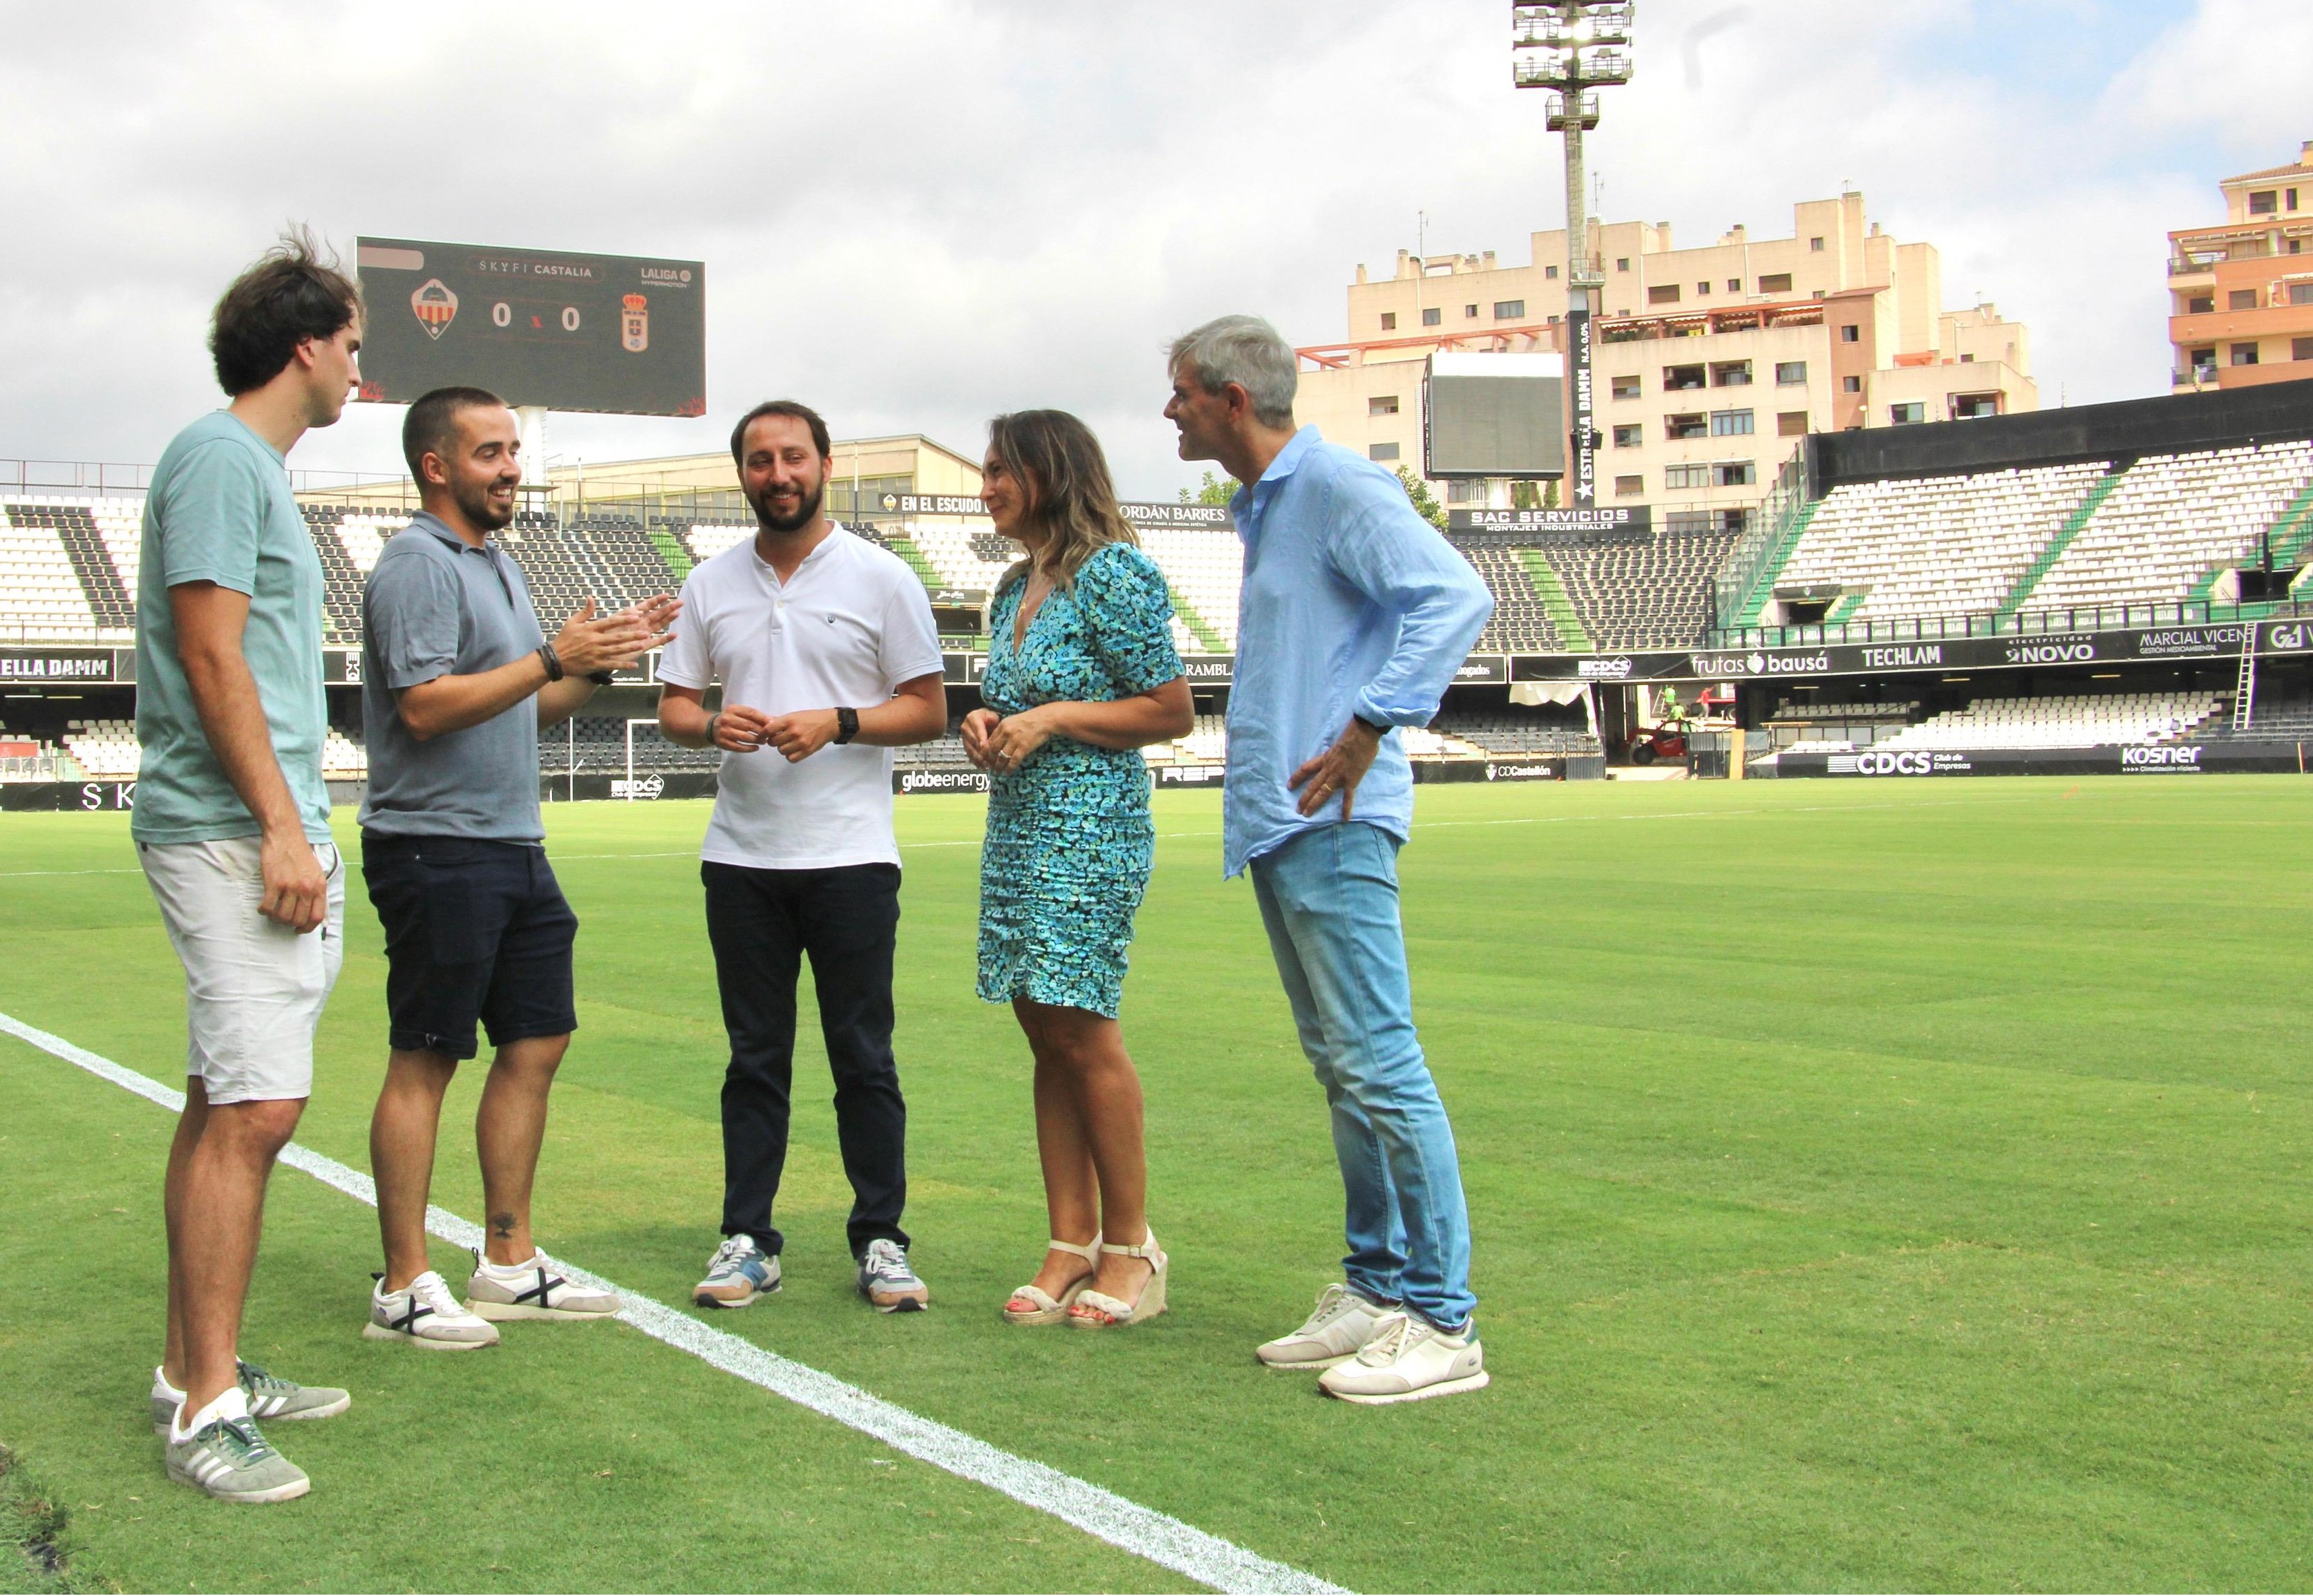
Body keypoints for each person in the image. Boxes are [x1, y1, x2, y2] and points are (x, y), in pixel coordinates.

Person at [1163, 314, 1496, 1403]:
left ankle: (1444, 1321)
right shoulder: (1269, 505)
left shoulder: (1339, 487)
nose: (1169, 411)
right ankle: (1376, 1286)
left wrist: (1371, 722)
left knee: (1380, 1061)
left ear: (1230, 399)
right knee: (1344, 1065)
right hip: (1283, 821)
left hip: (1334, 818)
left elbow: (1455, 595)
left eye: (1180, 394)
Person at [357, 387, 675, 1348]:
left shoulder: (495, 563)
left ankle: (507, 1259)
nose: (511, 468)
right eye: (490, 451)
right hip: (435, 843)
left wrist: (603, 658)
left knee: (536, 1041)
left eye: (513, 450)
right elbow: (424, 706)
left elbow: (517, 704)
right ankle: (404, 1284)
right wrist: (549, 656)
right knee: (429, 1054)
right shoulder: (417, 563)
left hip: (510, 841)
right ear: (437, 466)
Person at [133, 231, 363, 1503]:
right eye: (349, 344)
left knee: (225, 1091)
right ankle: (207, 1408)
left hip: (247, 819)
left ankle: (192, 1371)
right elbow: (214, 656)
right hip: (231, 826)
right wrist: (282, 822)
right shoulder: (223, 457)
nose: (354, 368)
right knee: (258, 1109)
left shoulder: (244, 464)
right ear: (302, 347)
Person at [656, 400, 947, 1313]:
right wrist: (713, 724)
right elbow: (674, 709)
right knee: (756, 1057)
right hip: (743, 857)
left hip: (852, 855)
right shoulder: (710, 583)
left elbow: (928, 710)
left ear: (825, 463)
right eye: (758, 460)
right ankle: (749, 1236)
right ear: (740, 472)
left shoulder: (882, 577)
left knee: (863, 1055)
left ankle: (882, 1238)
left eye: (793, 457)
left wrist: (840, 722)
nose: (777, 475)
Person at [962, 410, 1193, 1329]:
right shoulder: (1011, 586)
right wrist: (983, 723)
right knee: (1042, 1027)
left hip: (1092, 827)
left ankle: (1133, 1247)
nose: (986, 488)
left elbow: (1170, 709)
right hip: (1019, 825)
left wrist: (1054, 718)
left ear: (1049, 473)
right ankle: (1069, 1240)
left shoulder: (1114, 574)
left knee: (1085, 1027)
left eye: (998, 471)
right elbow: (1008, 701)